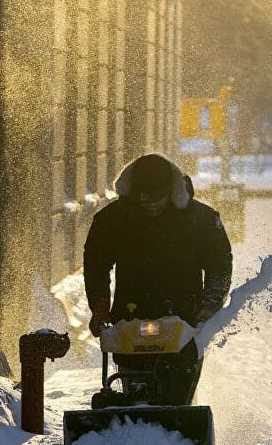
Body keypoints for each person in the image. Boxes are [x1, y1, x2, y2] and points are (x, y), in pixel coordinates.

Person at [83, 153, 232, 404]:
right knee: (134, 393)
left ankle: (177, 427)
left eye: (157, 197)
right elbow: (95, 264)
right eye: (143, 198)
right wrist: (99, 306)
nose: (150, 204)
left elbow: (220, 264)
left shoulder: (201, 220)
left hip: (184, 322)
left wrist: (208, 307)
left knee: (178, 395)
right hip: (131, 321)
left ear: (171, 191)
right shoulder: (112, 220)